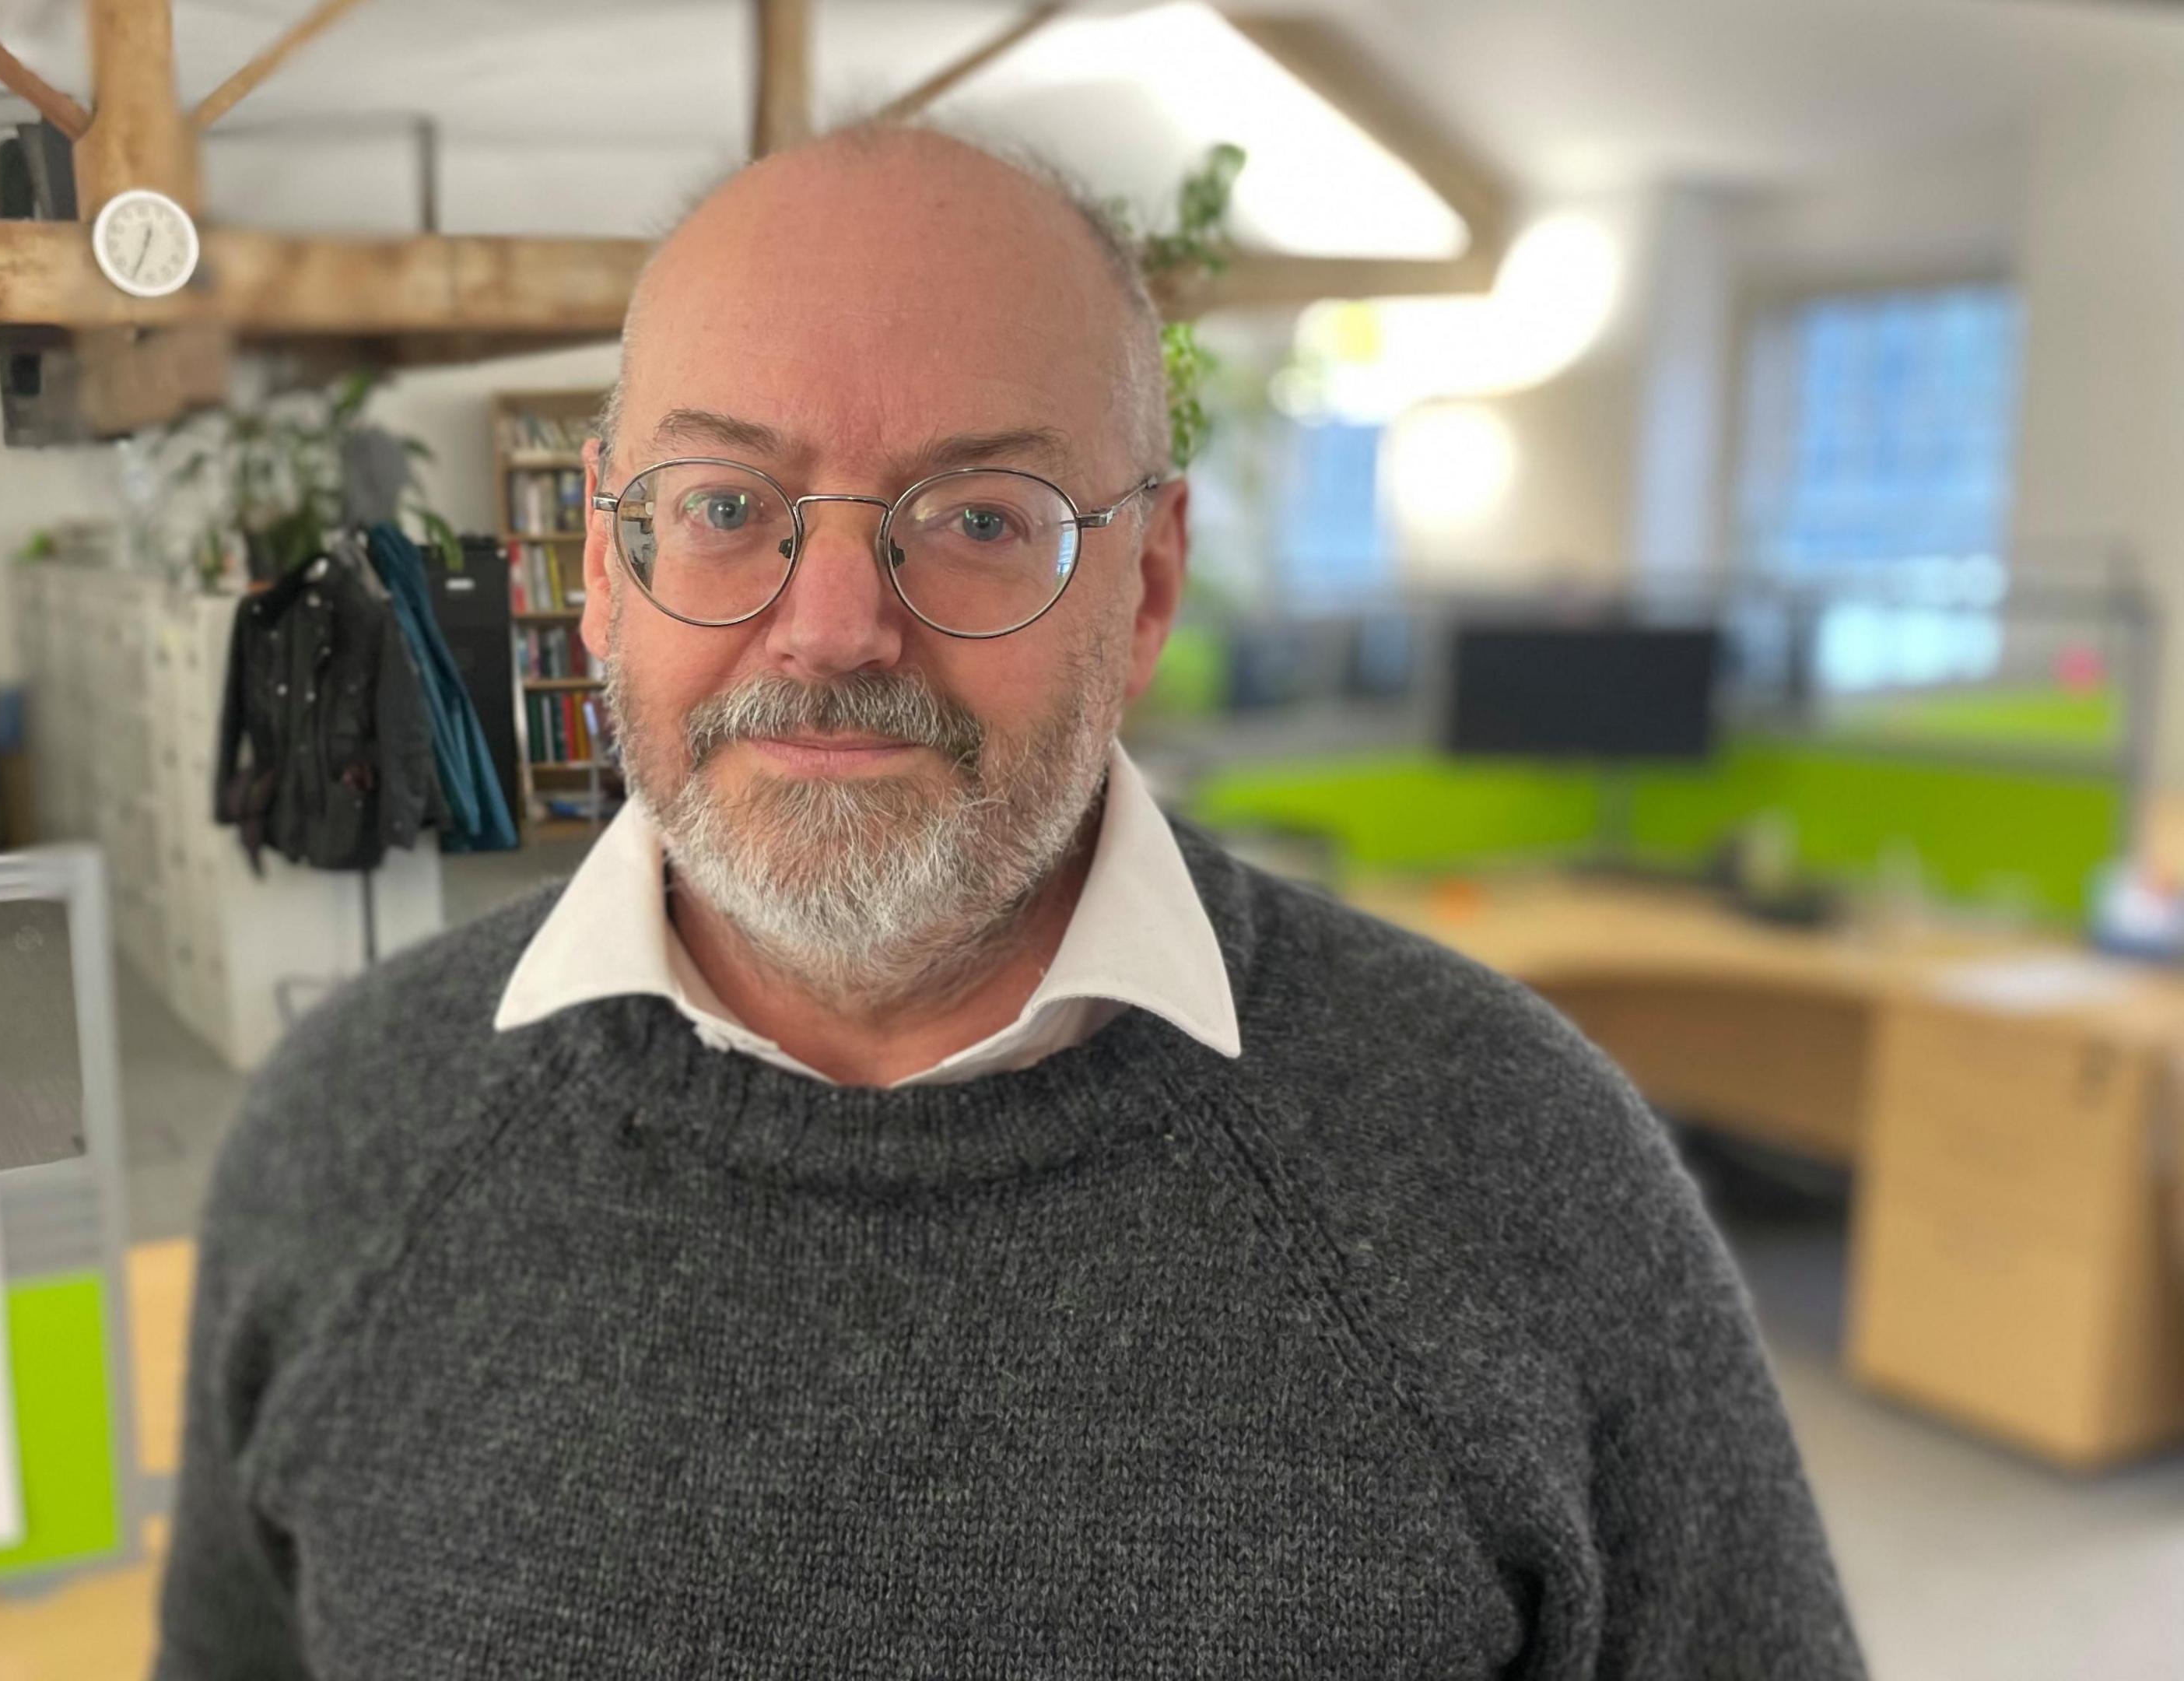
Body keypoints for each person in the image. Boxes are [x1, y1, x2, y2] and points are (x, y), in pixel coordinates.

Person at [158, 127, 1863, 1679]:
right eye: (728, 507)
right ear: (607, 568)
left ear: (1149, 585)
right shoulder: (345, 1138)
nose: (830, 627)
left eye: (981, 516)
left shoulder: (1517, 1162)